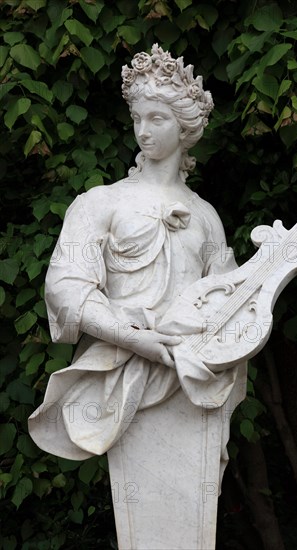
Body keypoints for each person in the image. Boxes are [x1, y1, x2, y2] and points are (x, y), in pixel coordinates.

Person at [28, 44, 240, 461]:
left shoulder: (206, 216)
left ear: (184, 127)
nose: (144, 130)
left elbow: (227, 302)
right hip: (118, 375)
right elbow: (65, 289)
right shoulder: (100, 202)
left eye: (157, 118)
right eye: (137, 118)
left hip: (193, 377)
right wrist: (133, 339)